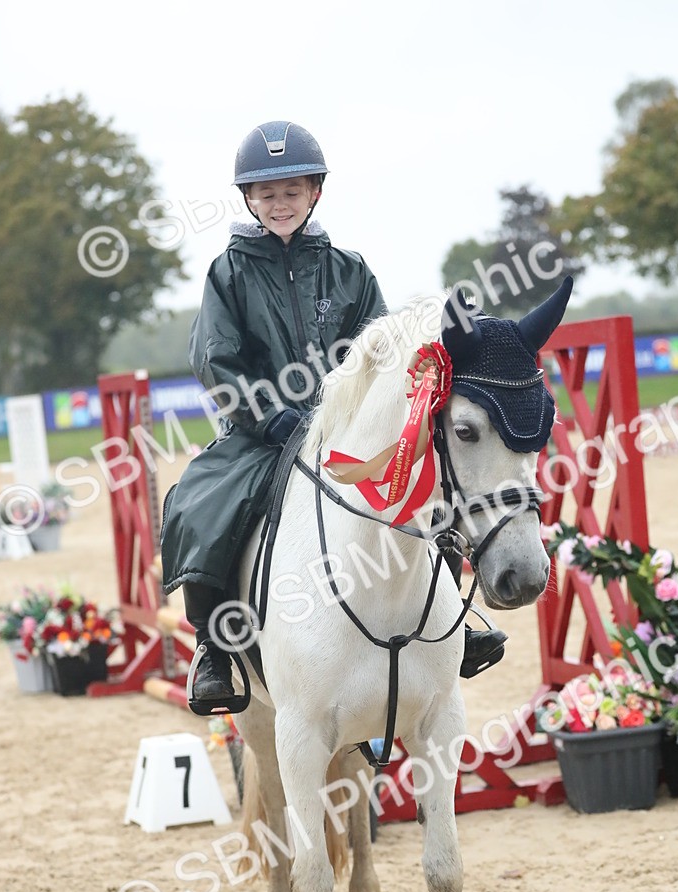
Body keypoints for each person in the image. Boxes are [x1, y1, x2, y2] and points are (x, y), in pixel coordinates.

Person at [161, 120, 505, 713]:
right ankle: (214, 648)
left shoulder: (349, 270)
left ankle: (455, 619)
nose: (280, 203)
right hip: (260, 435)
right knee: (196, 501)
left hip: (346, 434)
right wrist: (270, 417)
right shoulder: (229, 272)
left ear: (314, 191)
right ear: (249, 198)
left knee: (427, 490)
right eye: (267, 194)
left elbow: (382, 350)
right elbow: (216, 359)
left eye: (291, 190)